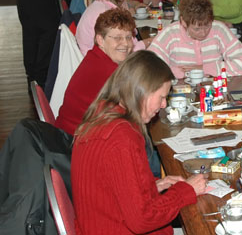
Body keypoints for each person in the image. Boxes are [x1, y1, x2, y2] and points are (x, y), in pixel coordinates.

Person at [71, 50, 207, 235]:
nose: (163, 105)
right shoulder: (121, 137)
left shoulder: (102, 115)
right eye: (161, 97)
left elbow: (113, 187)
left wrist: (152, 187)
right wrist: (186, 191)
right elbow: (142, 220)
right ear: (141, 92)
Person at [56, 9, 135, 135]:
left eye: (128, 37)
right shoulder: (108, 71)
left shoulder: (94, 58)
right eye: (117, 38)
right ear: (100, 40)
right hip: (77, 142)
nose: (125, 43)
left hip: (69, 134)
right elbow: (134, 110)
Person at [148, 0, 242, 78]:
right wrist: (182, 73)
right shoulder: (170, 34)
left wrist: (205, 68)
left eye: (207, 26)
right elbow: (150, 67)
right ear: (183, 22)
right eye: (197, 29)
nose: (203, 33)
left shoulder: (218, 29)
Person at [76, 0, 147, 55]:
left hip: (90, 56)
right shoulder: (109, 14)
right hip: (100, 60)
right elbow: (128, 49)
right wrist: (148, 42)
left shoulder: (98, 4)